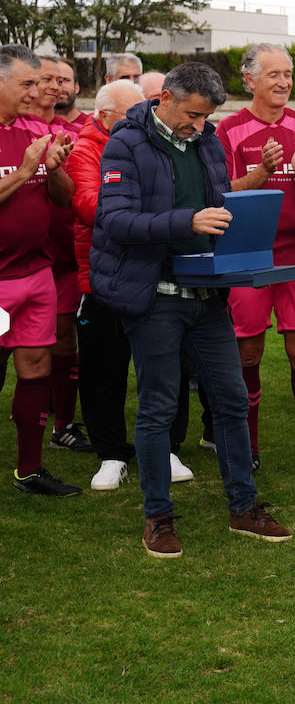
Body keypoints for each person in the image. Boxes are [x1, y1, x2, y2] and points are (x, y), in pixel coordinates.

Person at [90, 61, 291, 556]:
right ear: (166, 99)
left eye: (206, 118)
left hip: (208, 294)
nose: (199, 127)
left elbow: (217, 199)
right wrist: (188, 220)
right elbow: (114, 218)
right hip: (154, 295)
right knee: (158, 408)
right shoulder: (126, 142)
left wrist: (243, 210)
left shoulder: (206, 140)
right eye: (193, 115)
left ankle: (243, 507)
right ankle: (158, 517)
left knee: (231, 401)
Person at [217, 43, 295, 475]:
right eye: (274, 74)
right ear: (249, 80)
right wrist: (262, 173)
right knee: (247, 354)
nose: (284, 82)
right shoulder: (227, 130)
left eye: (288, 74)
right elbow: (219, 194)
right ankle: (248, 446)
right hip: (245, 258)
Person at [71, 80, 195, 490]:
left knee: (166, 365)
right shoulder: (86, 149)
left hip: (157, 272)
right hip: (105, 277)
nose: (144, 118)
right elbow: (98, 208)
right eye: (132, 112)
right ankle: (110, 453)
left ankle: (168, 447)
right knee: (103, 368)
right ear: (104, 117)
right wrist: (156, 210)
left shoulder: (155, 144)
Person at [0, 44, 79, 495]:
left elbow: (64, 199)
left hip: (35, 275)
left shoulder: (37, 130)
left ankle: (29, 469)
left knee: (35, 366)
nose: (38, 93)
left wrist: (51, 169)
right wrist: (25, 167)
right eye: (26, 84)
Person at [29, 57, 90, 452]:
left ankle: (63, 425)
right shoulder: (14, 129)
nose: (55, 86)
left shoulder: (77, 131)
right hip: (18, 258)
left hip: (65, 255)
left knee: (65, 340)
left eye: (62, 79)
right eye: (47, 78)